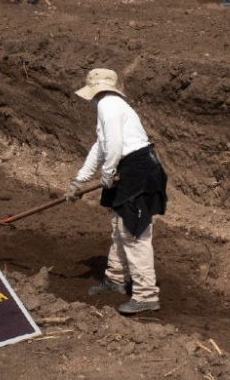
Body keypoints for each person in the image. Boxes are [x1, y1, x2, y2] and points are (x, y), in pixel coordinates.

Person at [65, 69, 168, 315]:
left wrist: (108, 172)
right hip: (130, 167)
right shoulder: (111, 106)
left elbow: (115, 144)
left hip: (137, 170)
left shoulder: (108, 105)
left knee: (133, 231)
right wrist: (79, 180)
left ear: (94, 90)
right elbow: (100, 147)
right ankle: (116, 278)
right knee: (119, 226)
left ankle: (146, 295)